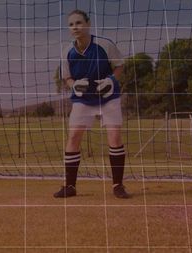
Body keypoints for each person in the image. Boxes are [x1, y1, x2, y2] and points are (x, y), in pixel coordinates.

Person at [53, 9, 129, 198]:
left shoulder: (105, 44)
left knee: (114, 136)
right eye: (71, 24)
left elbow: (119, 66)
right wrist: (74, 85)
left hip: (108, 96)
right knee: (74, 137)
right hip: (83, 99)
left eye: (79, 23)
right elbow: (67, 78)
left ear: (88, 24)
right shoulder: (66, 52)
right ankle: (70, 187)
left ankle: (118, 186)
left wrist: (111, 79)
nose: (75, 27)